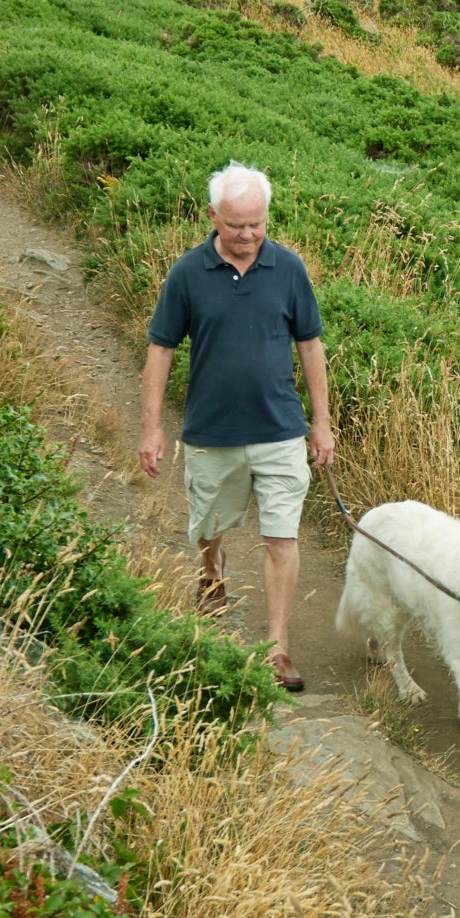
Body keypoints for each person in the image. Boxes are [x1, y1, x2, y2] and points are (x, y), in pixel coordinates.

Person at [139, 161, 335, 692]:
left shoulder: (289, 269)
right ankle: (212, 572)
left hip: (279, 431)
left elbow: (311, 346)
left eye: (257, 224)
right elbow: (160, 349)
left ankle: (277, 648)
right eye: (236, 225)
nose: (248, 236)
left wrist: (321, 422)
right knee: (209, 528)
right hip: (211, 433)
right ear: (213, 217)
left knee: (280, 539)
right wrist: (152, 428)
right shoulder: (186, 274)